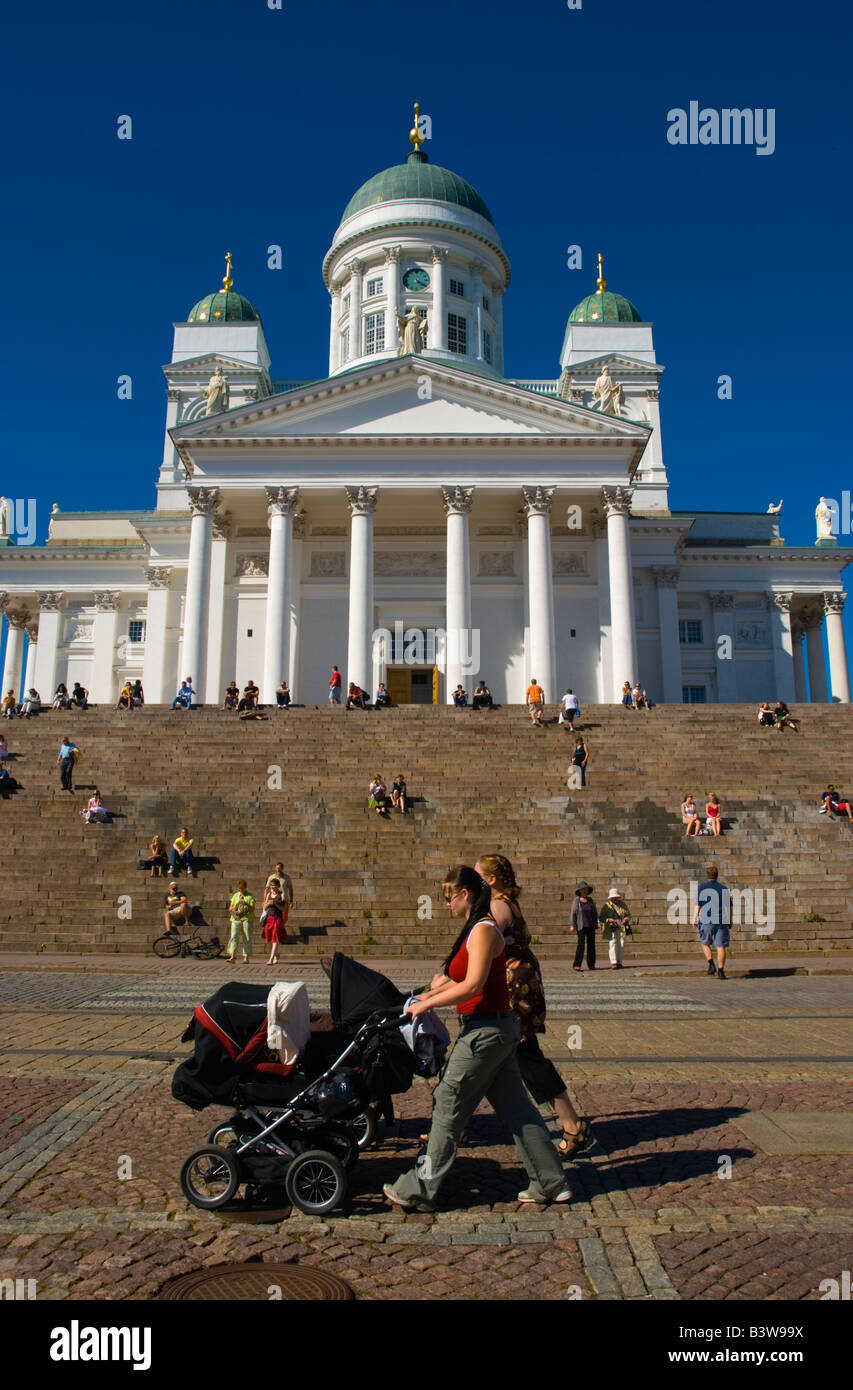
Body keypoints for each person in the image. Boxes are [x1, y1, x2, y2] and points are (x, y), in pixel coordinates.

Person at [382, 863, 571, 1212]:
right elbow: (459, 979)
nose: (446, 905)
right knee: (518, 1110)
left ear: (465, 895)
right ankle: (550, 1182)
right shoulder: (475, 928)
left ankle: (420, 1188)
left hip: (487, 1030)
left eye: (448, 898)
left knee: (447, 1102)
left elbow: (473, 984)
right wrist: (422, 997)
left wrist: (428, 1006)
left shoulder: (484, 929)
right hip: (490, 1029)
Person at [476, 855, 595, 1159]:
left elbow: (486, 945)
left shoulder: (498, 906)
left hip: (514, 989)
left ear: (491, 879)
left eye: (478, 875)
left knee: (524, 1056)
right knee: (488, 1055)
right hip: (518, 983)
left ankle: (572, 1126)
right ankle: (453, 1123)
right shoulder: (503, 902)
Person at [693, 865, 730, 979]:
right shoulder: (723, 888)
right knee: (720, 946)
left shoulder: (702, 888)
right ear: (717, 875)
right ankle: (721, 971)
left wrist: (694, 918)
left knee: (705, 943)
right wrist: (730, 919)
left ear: (707, 875)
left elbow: (698, 905)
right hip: (721, 920)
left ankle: (711, 964)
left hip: (706, 920)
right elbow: (729, 906)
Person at [599, 887, 632, 969]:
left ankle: (619, 962)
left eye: (616, 898)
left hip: (621, 927)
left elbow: (628, 915)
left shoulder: (623, 905)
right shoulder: (606, 906)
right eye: (613, 898)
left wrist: (625, 919)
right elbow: (602, 917)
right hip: (611, 927)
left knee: (621, 944)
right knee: (612, 943)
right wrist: (608, 919)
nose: (615, 899)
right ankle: (613, 962)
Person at [570, 881, 598, 972]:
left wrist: (597, 922)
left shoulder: (590, 900)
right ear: (580, 891)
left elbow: (595, 912)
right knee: (581, 945)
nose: (584, 891)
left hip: (590, 925)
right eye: (583, 889)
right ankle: (577, 964)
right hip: (581, 926)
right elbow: (573, 913)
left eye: (586, 889)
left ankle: (591, 964)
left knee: (591, 946)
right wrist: (572, 925)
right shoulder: (576, 900)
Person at [226, 879, 255, 963]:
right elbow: (230, 908)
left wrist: (246, 904)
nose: (241, 890)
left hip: (247, 919)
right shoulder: (235, 895)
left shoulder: (250, 896)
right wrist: (235, 908)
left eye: (242, 888)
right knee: (234, 937)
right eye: (239, 888)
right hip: (236, 919)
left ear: (246, 887)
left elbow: (253, 909)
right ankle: (232, 956)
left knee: (247, 938)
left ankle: (246, 958)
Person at [262, 878, 288, 965]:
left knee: (275, 938)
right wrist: (268, 904)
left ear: (278, 886)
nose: (272, 887)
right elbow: (264, 906)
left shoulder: (282, 895)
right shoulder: (269, 894)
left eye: (274, 885)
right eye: (271, 885)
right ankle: (276, 954)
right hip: (269, 919)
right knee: (268, 939)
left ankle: (271, 958)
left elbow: (283, 908)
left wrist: (275, 903)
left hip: (277, 918)